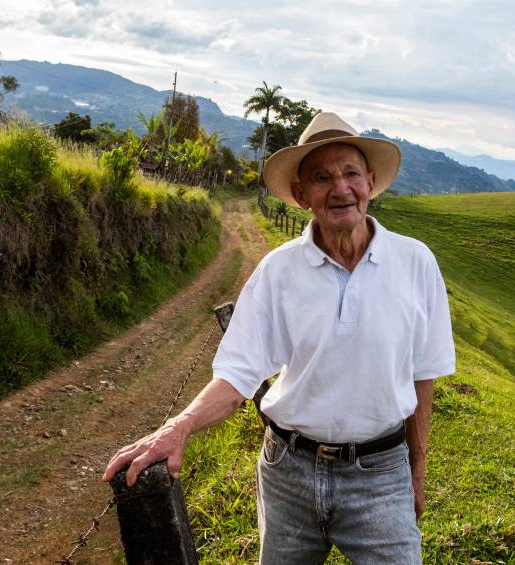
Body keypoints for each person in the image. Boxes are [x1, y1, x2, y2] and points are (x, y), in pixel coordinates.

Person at [103, 111, 455, 564]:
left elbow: (423, 374)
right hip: (289, 472)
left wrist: (416, 472)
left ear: (370, 180)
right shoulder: (278, 270)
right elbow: (236, 373)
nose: (340, 188)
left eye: (351, 173)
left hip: (380, 472)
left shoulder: (416, 263)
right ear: (300, 194)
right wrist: (177, 428)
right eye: (322, 177)